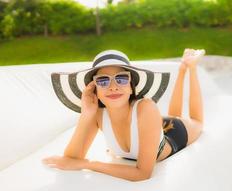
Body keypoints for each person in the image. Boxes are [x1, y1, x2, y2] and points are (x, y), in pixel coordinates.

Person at [42, 49, 204, 182]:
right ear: (94, 89)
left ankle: (189, 68)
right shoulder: (98, 114)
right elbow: (71, 158)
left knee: (194, 120)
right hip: (151, 126)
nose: (113, 87)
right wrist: (86, 114)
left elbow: (142, 174)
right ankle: (183, 69)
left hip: (174, 134)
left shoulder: (146, 107)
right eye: (103, 81)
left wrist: (89, 164)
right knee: (173, 114)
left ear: (131, 87)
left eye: (121, 79)